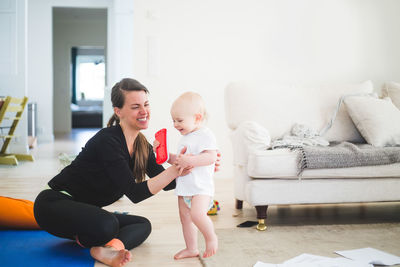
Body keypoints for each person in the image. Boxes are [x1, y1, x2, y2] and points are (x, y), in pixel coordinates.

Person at [33, 78, 211, 267]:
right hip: (53, 203)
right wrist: (177, 168)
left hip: (87, 212)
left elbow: (168, 183)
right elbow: (135, 194)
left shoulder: (142, 145)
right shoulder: (108, 141)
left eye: (146, 104)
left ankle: (109, 249)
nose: (144, 111)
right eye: (135, 107)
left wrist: (200, 164)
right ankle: (96, 237)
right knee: (107, 224)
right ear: (118, 111)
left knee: (142, 224)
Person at [154, 92, 218, 259]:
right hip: (185, 187)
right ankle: (191, 248)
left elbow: (211, 157)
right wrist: (165, 156)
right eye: (173, 120)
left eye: (179, 120)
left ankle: (211, 238)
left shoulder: (205, 134)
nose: (175, 124)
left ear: (197, 118)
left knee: (197, 215)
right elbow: (179, 161)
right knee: (185, 219)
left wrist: (193, 160)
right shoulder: (186, 137)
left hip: (200, 188)